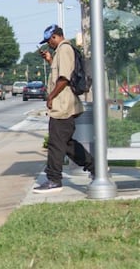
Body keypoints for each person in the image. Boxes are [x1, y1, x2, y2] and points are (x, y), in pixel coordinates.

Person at [34, 24, 94, 194]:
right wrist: (50, 60)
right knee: (67, 144)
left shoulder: (64, 49)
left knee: (55, 143)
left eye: (48, 41)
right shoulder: (60, 51)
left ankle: (54, 180)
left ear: (55, 36)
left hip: (63, 104)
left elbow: (64, 78)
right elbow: (61, 72)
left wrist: (51, 96)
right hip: (64, 104)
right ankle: (96, 168)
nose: (48, 44)